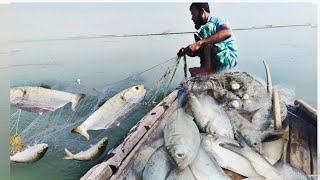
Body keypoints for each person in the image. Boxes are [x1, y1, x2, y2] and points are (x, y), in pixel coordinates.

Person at [177, 2, 238, 76]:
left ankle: (206, 70)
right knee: (202, 36)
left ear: (202, 11)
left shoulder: (215, 21)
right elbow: (206, 49)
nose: (192, 18)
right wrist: (189, 51)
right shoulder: (203, 33)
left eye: (193, 14)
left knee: (207, 28)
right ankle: (207, 69)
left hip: (228, 59)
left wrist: (199, 43)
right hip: (217, 61)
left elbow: (227, 32)